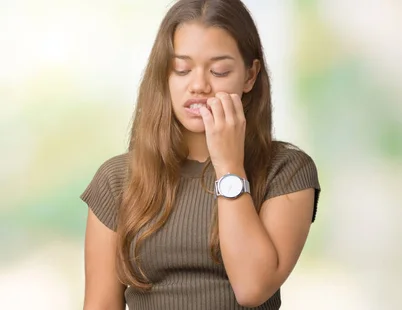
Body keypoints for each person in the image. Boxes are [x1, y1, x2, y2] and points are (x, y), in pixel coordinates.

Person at [80, 0, 321, 309]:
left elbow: (252, 288)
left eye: (219, 71)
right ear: (164, 75)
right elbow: (100, 304)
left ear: (250, 76)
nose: (198, 85)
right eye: (181, 69)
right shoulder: (117, 180)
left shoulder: (286, 171)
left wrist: (229, 167)